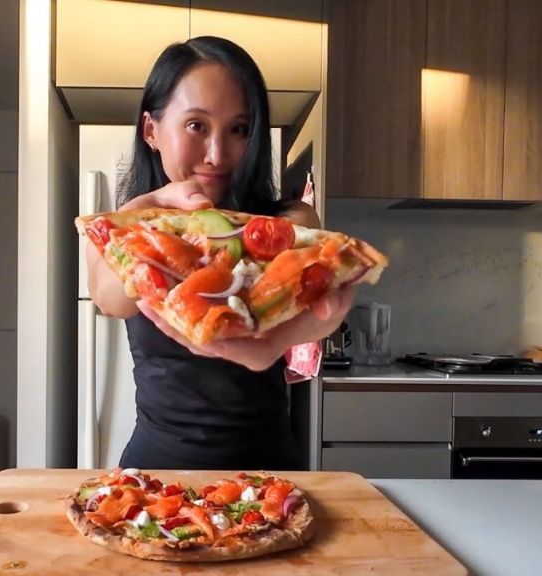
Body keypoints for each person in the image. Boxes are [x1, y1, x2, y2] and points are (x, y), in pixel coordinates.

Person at [84, 36, 355, 470]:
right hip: (155, 473)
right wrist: (147, 209)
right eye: (196, 125)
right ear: (151, 130)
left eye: (239, 129)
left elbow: (323, 309)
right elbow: (110, 298)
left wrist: (279, 341)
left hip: (268, 470)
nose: (216, 154)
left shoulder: (289, 221)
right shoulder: (126, 226)